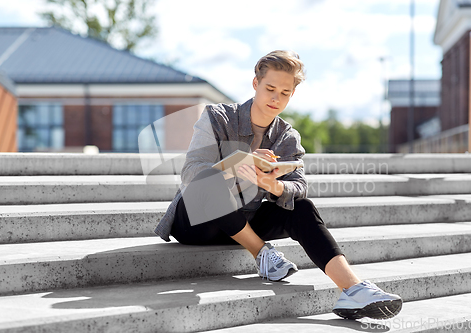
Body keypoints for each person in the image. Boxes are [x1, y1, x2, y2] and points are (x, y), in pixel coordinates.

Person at [155, 50, 402, 320]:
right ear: (255, 84)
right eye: (270, 88)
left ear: (292, 95)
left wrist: (274, 186)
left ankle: (353, 290)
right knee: (211, 183)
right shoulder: (217, 117)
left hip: (243, 218)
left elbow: (299, 185)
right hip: (195, 221)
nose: (276, 98)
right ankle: (262, 253)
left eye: (285, 93)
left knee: (302, 207)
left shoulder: (286, 136)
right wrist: (240, 162)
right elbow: (192, 173)